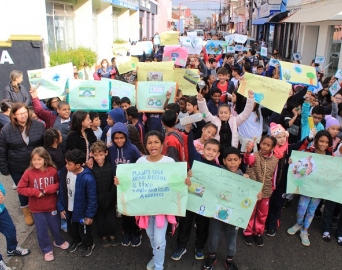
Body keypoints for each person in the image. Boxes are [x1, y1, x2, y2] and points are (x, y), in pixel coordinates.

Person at [115, 131, 189, 270]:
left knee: (159, 239)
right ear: (146, 145)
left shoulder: (169, 162)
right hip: (145, 209)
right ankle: (156, 257)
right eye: (149, 142)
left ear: (162, 144)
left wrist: (184, 181)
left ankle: (159, 266)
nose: (153, 145)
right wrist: (120, 180)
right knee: (151, 236)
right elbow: (132, 182)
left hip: (163, 209)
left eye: (156, 142)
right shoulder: (140, 161)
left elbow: (176, 183)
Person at [171, 126, 221, 261]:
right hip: (191, 199)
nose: (210, 152)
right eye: (208, 149)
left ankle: (199, 247)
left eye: (214, 151)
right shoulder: (195, 158)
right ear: (203, 149)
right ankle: (181, 246)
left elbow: (228, 184)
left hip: (205, 203)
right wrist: (188, 131)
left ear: (218, 154)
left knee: (203, 226)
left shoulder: (219, 169)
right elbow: (189, 145)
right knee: (185, 224)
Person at [17, 147, 69, 261]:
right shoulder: (28, 172)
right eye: (34, 159)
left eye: (39, 159)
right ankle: (46, 249)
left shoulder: (53, 170)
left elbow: (58, 183)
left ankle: (58, 241)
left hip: (52, 206)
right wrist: (35, 192)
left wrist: (48, 189)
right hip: (37, 208)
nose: (36, 162)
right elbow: (20, 188)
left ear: (45, 159)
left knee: (55, 226)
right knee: (41, 230)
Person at [203, 147, 249, 270]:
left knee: (232, 236)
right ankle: (212, 256)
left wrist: (256, 194)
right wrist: (192, 175)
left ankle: (230, 259)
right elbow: (204, 182)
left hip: (234, 215)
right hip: (216, 213)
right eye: (229, 160)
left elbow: (248, 197)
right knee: (213, 235)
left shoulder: (245, 178)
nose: (233, 163)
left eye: (235, 160)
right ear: (223, 160)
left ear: (240, 160)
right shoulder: (217, 173)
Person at [0, 102, 45, 225]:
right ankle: (26, 210)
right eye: (20, 114)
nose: (23, 116)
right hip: (17, 166)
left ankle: (39, 209)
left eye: (25, 113)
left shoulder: (39, 126)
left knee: (37, 186)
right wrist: (4, 168)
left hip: (37, 164)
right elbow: (2, 150)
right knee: (23, 189)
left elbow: (45, 145)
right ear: (13, 115)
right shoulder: (6, 130)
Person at [287, 130, 333, 246]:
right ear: (316, 141)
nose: (324, 144)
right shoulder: (308, 151)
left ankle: (305, 230)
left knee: (311, 211)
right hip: (306, 188)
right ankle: (298, 224)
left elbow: (333, 172)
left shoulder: (330, 156)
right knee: (301, 208)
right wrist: (292, 161)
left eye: (326, 142)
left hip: (318, 190)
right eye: (321, 141)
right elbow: (298, 160)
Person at [57, 149, 98, 257]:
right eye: (66, 163)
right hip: (68, 209)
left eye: (69, 164)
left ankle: (88, 244)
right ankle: (76, 240)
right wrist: (61, 207)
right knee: (72, 228)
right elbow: (61, 191)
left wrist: (89, 215)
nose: (66, 166)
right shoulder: (64, 172)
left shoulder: (87, 178)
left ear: (78, 165)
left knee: (84, 230)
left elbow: (92, 198)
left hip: (82, 212)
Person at [197, 90, 254, 164]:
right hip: (217, 152)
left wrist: (250, 99)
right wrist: (201, 101)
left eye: (225, 113)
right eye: (221, 113)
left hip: (231, 151)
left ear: (230, 113)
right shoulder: (214, 120)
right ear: (218, 113)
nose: (223, 114)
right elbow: (205, 113)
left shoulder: (235, 120)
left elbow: (246, 113)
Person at [108, 123, 142, 247]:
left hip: (132, 187)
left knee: (133, 210)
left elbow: (140, 165)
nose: (119, 140)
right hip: (119, 187)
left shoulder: (132, 149)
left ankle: (136, 232)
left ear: (126, 137)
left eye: (122, 138)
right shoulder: (110, 149)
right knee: (124, 210)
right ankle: (126, 232)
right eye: (116, 138)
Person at [243, 135, 278, 246]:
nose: (264, 146)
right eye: (263, 143)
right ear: (260, 143)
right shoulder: (254, 155)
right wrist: (248, 152)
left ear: (272, 147)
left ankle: (258, 232)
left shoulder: (275, 160)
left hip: (266, 191)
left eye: (268, 145)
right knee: (251, 211)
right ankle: (248, 232)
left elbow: (275, 175)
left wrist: (273, 187)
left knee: (262, 213)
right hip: (253, 189)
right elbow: (248, 160)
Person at [90, 141, 118, 247]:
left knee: (112, 220)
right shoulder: (91, 167)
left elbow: (114, 180)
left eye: (101, 154)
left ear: (106, 153)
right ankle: (103, 236)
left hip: (110, 199)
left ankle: (112, 234)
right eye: (96, 155)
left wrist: (114, 189)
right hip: (98, 200)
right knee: (100, 221)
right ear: (92, 154)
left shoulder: (111, 165)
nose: (98, 157)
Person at [0, 181, 31, 270]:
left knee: (11, 230)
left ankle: (12, 249)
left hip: (1, 211)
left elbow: (1, 187)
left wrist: (1, 193)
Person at [30, 88, 71, 153]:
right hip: (50, 152)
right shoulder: (51, 116)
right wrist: (35, 98)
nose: (67, 111)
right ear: (58, 110)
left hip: (67, 152)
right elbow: (39, 111)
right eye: (64, 110)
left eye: (69, 109)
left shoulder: (74, 120)